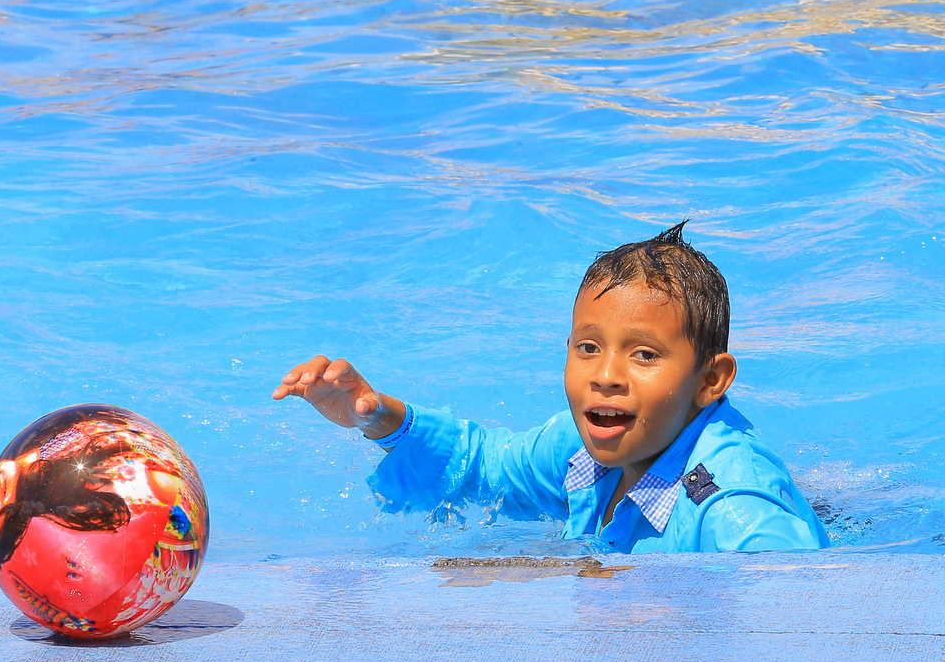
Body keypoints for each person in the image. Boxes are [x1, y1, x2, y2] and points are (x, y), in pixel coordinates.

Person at [272, 222, 829, 553]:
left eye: (643, 354)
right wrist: (377, 417)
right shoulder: (579, 447)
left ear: (710, 380)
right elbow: (484, 470)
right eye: (588, 347)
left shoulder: (734, 511)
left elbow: (798, 626)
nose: (605, 375)